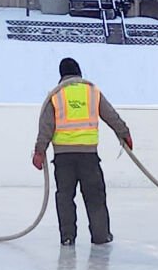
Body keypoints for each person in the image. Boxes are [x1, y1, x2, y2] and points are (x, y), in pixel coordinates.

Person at [33, 57, 133, 246]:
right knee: (95, 196)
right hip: (89, 157)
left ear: (61, 74)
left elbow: (46, 126)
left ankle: (68, 237)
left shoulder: (55, 95)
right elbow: (111, 115)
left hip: (63, 158)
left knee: (64, 198)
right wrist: (124, 133)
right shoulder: (92, 92)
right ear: (79, 72)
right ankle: (101, 235)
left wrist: (39, 151)